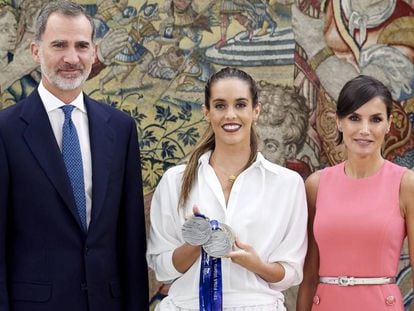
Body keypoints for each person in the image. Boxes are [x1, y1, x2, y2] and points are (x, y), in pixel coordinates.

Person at [0, 1, 149, 310]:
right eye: (59, 45)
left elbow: (131, 239)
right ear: (36, 51)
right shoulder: (6, 130)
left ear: (94, 53)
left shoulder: (120, 129)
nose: (71, 58)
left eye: (81, 46)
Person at [147, 67, 307, 310]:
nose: (230, 115)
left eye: (240, 105)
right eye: (220, 105)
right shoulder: (175, 181)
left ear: (256, 111)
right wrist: (195, 242)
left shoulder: (287, 184)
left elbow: (291, 273)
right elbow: (162, 270)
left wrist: (256, 264)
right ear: (206, 112)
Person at [296, 75, 414, 310]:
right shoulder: (316, 185)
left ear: (389, 123)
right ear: (339, 122)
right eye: (354, 118)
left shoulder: (406, 184)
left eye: (376, 119)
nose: (365, 130)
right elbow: (308, 277)